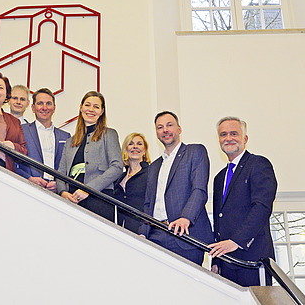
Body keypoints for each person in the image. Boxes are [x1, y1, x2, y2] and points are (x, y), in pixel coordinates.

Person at [208, 116, 277, 286]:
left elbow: (262, 207)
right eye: (223, 135)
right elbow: (219, 219)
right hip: (226, 263)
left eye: (234, 133)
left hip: (252, 260)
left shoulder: (258, 164)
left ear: (245, 139)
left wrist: (236, 242)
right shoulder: (219, 178)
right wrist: (216, 261)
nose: (228, 138)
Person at [139, 111, 213, 265]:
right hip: (155, 236)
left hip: (184, 235)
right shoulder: (154, 166)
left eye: (169, 125)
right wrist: (143, 233)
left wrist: (185, 218)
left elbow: (199, 190)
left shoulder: (195, 152)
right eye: (160, 127)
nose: (165, 130)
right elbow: (148, 203)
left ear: (179, 129)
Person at [56, 91, 123, 222]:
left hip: (99, 199)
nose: (91, 109)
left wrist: (88, 189)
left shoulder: (109, 134)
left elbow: (117, 167)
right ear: (81, 108)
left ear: (102, 111)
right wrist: (63, 192)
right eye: (87, 105)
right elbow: (61, 172)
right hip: (72, 201)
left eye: (96, 107)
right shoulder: (70, 141)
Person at [16, 88, 71, 192]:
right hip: (28, 189)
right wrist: (29, 179)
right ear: (33, 107)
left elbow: (69, 168)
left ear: (54, 108)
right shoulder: (21, 130)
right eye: (40, 103)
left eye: (48, 104)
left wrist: (59, 185)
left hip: (56, 193)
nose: (44, 108)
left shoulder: (66, 137)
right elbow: (13, 162)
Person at [112, 132, 151, 234]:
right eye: (131, 144)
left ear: (145, 150)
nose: (135, 147)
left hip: (141, 229)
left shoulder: (151, 173)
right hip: (120, 228)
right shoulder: (119, 177)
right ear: (125, 149)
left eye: (139, 144)